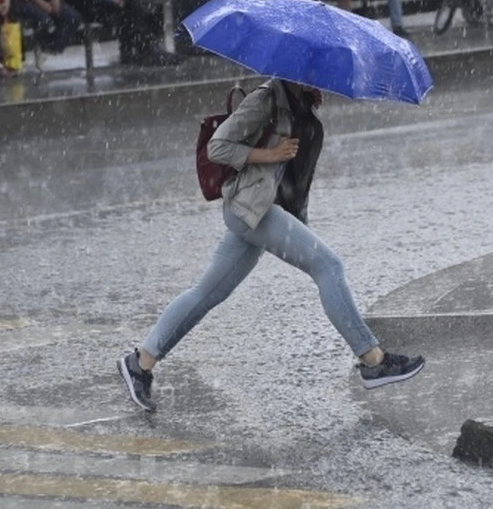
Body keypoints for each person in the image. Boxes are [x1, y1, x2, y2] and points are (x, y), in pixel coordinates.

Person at [118, 79, 426, 412]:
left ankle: (141, 362)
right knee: (328, 267)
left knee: (207, 292)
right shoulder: (265, 99)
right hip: (253, 209)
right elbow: (218, 147)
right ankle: (373, 361)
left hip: (262, 210)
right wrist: (269, 154)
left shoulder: (303, 100)